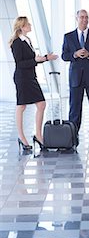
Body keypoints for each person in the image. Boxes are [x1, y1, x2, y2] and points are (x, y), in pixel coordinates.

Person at [9, 16, 58, 151]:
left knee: (41, 104)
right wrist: (37, 60)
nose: (30, 25)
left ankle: (38, 134)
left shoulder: (27, 40)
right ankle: (21, 137)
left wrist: (46, 58)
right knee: (21, 106)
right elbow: (20, 63)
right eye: (28, 24)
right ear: (22, 26)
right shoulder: (17, 42)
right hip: (22, 78)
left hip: (30, 77)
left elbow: (32, 59)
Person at [61, 9, 89, 145]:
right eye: (82, 17)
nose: (84, 19)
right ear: (76, 18)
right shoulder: (68, 36)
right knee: (75, 108)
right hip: (75, 78)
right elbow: (64, 55)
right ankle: (72, 137)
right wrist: (74, 54)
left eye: (86, 17)